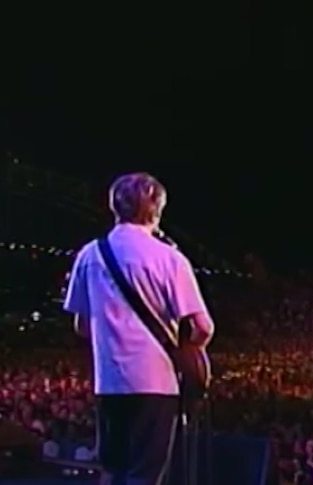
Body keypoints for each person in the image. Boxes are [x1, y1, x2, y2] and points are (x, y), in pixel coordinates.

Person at [63, 172, 214, 485]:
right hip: (155, 384)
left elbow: (81, 325)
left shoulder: (89, 255)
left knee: (113, 473)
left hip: (109, 384)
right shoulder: (169, 258)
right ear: (157, 209)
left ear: (114, 207)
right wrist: (183, 346)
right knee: (144, 475)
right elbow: (203, 327)